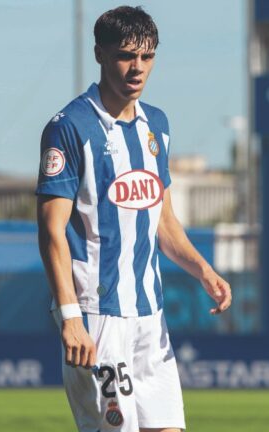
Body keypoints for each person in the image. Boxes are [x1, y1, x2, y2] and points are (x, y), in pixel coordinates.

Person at [36, 6, 231, 432]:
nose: (137, 67)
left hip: (149, 313)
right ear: (100, 54)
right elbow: (52, 232)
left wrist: (203, 271)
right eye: (126, 55)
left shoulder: (156, 126)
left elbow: (164, 221)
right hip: (96, 313)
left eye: (147, 57)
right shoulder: (70, 128)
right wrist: (70, 317)